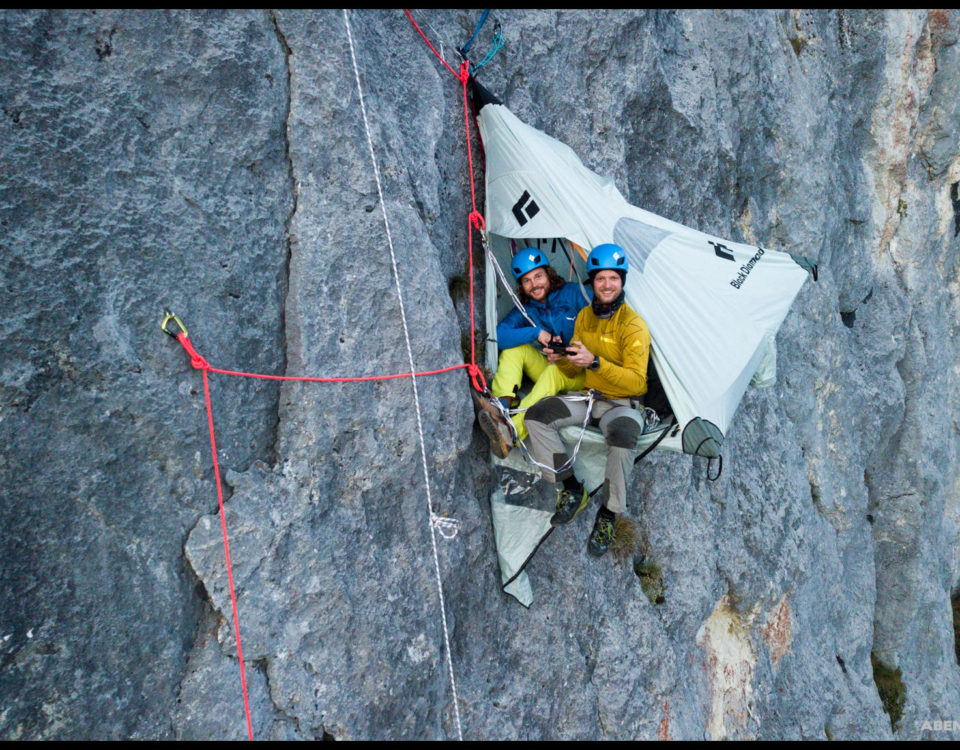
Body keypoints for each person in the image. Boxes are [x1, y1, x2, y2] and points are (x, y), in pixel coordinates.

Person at [524, 243, 650, 557]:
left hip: (623, 404)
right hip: (590, 397)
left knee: (623, 435)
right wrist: (561, 359)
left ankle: (608, 514)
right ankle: (570, 487)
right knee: (537, 416)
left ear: (622, 282)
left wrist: (596, 363)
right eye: (600, 279)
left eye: (613, 279)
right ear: (592, 282)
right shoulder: (584, 317)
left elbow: (638, 380)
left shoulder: (633, 326)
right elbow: (576, 365)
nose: (607, 285)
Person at [474, 247, 590, 458]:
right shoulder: (527, 308)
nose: (534, 284)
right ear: (521, 286)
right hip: (551, 366)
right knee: (515, 349)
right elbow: (499, 336)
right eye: (527, 280)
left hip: (581, 374)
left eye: (538, 276)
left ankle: (511, 431)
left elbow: (603, 319)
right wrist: (535, 333)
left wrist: (575, 349)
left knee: (555, 372)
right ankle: (501, 407)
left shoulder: (574, 294)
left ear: (549, 274)